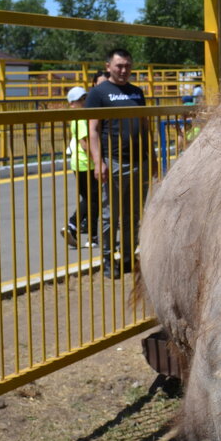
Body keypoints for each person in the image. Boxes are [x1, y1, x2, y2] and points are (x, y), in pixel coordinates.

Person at [85, 48, 152, 278]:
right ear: (108, 67)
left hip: (138, 161)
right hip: (113, 162)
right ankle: (106, 258)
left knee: (133, 214)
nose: (124, 70)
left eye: (127, 66)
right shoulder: (98, 93)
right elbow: (93, 130)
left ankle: (126, 256)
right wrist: (98, 162)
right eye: (119, 66)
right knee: (109, 214)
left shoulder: (137, 92)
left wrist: (151, 157)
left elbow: (144, 125)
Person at [62, 86, 99, 249]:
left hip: (79, 164)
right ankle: (73, 225)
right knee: (93, 199)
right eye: (80, 100)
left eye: (85, 98)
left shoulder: (79, 117)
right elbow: (85, 144)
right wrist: (97, 161)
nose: (84, 102)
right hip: (86, 164)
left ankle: (90, 235)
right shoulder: (82, 119)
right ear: (71, 104)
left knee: (90, 199)